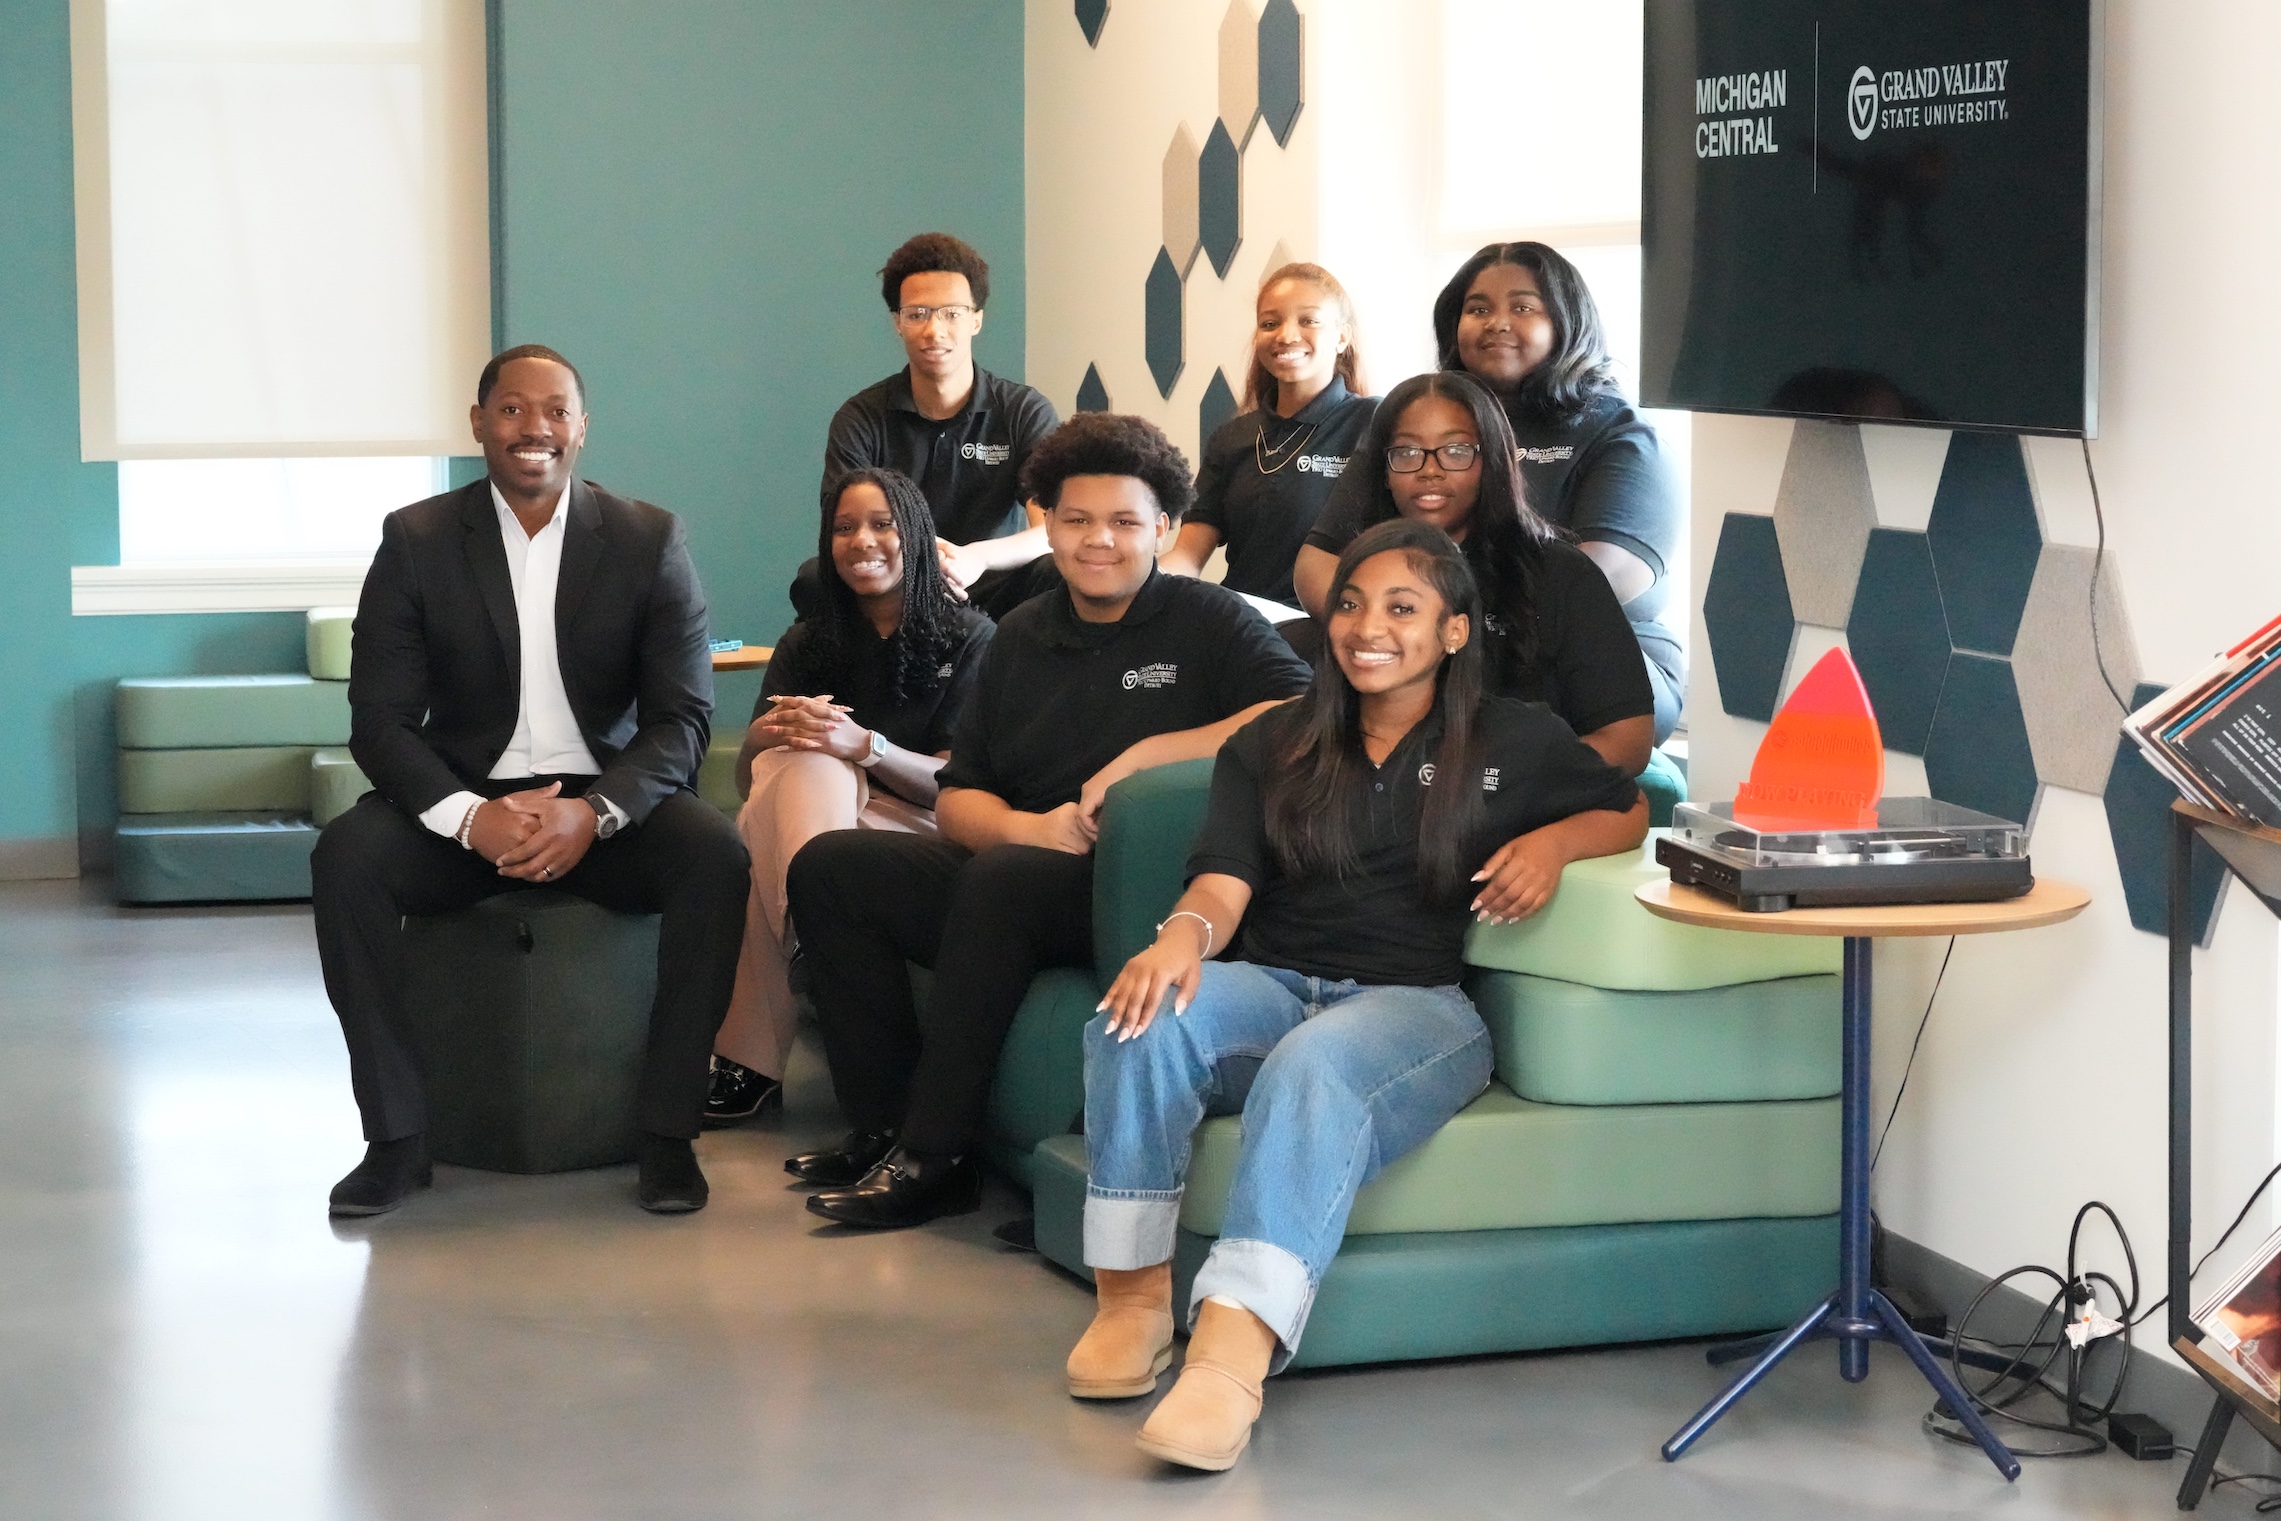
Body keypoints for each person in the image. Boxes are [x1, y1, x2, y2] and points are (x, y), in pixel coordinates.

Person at [1070, 518, 1647, 1471]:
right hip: (1274, 983)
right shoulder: (1273, 739)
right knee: (1136, 1020)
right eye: (1349, 603)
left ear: (1453, 630)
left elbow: (1626, 804)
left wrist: (1552, 844)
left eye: (1401, 607)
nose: (1367, 626)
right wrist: (1177, 939)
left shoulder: (1516, 736)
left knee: (1315, 1062)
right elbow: (1222, 882)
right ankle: (1129, 1301)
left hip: (1416, 1005)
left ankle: (1228, 1354)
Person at [783, 413, 1314, 1230]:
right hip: (1029, 866)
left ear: (1163, 528)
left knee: (1001, 883)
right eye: (1076, 520)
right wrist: (1030, 828)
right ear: (1049, 527)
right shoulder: (1019, 636)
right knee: (832, 866)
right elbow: (958, 797)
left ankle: (935, 1155)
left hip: (1148, 884)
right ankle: (882, 1129)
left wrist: (1145, 756)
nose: (1098, 540)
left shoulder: (1206, 619)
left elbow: (1297, 713)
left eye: (1124, 521)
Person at [313, 344, 749, 1218]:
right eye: (512, 409)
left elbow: (680, 719)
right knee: (346, 858)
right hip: (468, 804)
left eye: (554, 410)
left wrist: (597, 813)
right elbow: (379, 720)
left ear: (582, 428)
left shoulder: (648, 538)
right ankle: (396, 1137)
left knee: (716, 855)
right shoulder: (416, 540)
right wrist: (467, 817)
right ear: (479, 423)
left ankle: (667, 1133)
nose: (533, 428)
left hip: (602, 804)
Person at [1296, 241, 1687, 741]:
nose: (1497, 323)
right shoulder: (1409, 420)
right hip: (1422, 636)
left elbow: (1596, 585)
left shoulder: (1622, 435)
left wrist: (1434, 629)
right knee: (1284, 655)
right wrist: (1381, 626)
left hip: (1580, 651)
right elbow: (1317, 563)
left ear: (1567, 322)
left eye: (1522, 307)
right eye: (1478, 309)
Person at [703, 468, 993, 1125]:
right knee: (804, 767)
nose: (861, 540)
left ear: (914, 535)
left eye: (881, 524)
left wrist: (865, 746)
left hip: (922, 829)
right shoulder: (809, 639)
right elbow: (752, 782)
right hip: (816, 822)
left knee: (802, 791)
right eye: (843, 527)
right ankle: (811, 923)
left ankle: (748, 1062)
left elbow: (957, 786)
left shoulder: (972, 637)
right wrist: (766, 733)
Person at [1296, 371, 1656, 776]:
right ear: (1383, 470)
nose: (1429, 470)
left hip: (1517, 794)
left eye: (1456, 451)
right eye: (1407, 452)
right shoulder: (1362, 573)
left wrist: (1492, 781)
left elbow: (1628, 741)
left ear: (1493, 461)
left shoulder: (1560, 574)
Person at [800, 232, 1061, 622]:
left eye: (952, 313)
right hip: (895, 581)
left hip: (992, 578)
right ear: (898, 323)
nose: (934, 330)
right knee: (813, 580)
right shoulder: (861, 417)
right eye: (917, 314)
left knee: (1056, 572)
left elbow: (1051, 530)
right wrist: (923, 558)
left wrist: (976, 557)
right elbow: (848, 527)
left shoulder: (1023, 411)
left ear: (976, 319)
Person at [1159, 262, 1376, 613]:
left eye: (1308, 320)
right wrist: (1139, 583)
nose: (1286, 335)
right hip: (1242, 623)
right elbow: (1188, 555)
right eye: (1270, 323)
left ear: (1341, 337)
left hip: (1328, 623)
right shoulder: (1231, 437)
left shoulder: (1374, 422)